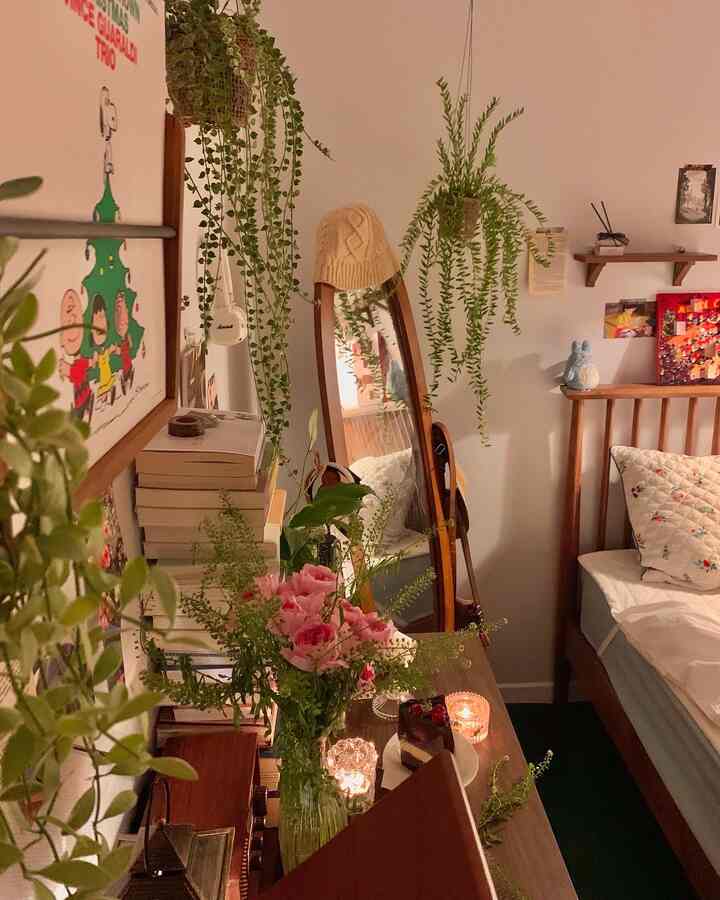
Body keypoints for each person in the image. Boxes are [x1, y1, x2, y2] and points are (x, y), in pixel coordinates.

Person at [58, 289, 94, 424]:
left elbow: (80, 372)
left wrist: (69, 370)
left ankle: (83, 409)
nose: (73, 319)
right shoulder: (63, 360)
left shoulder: (81, 360)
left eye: (76, 315)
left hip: (82, 396)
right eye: (68, 314)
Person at [114, 291, 134, 395]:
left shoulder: (126, 337)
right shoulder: (120, 339)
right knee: (126, 370)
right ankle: (126, 380)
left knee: (127, 369)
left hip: (127, 362)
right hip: (126, 362)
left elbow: (129, 346)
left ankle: (127, 379)